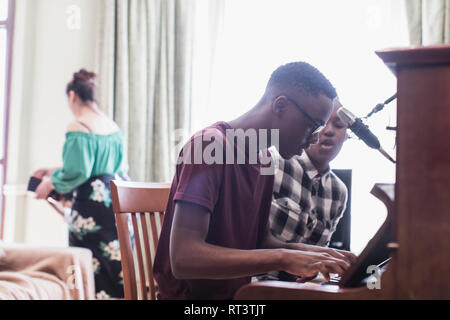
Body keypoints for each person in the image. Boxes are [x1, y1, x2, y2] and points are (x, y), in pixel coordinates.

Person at [153, 62, 357, 300]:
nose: (314, 138)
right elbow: (184, 259)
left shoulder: (265, 159)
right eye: (313, 125)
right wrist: (284, 258)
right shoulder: (209, 146)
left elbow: (258, 241)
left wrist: (318, 255)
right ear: (280, 106)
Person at [33, 69, 129, 299]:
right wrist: (55, 170)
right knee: (115, 265)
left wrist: (49, 182)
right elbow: (109, 169)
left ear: (73, 96)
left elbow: (78, 172)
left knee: (87, 265)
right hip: (116, 205)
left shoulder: (79, 127)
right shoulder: (112, 126)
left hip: (91, 210)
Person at [259, 98, 350, 282]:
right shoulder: (273, 161)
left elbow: (316, 263)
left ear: (347, 134)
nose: (329, 131)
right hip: (256, 287)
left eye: (339, 125)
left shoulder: (339, 192)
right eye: (322, 124)